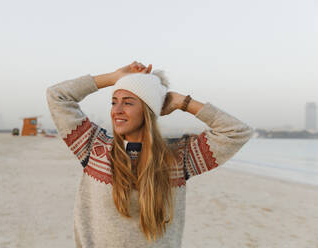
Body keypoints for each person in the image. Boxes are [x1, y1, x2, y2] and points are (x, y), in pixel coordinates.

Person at [46, 61, 254, 248]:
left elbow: (237, 131)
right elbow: (58, 96)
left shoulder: (178, 157)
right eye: (114, 101)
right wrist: (114, 77)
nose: (116, 109)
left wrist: (182, 102)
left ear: (148, 110)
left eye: (127, 102)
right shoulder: (94, 148)